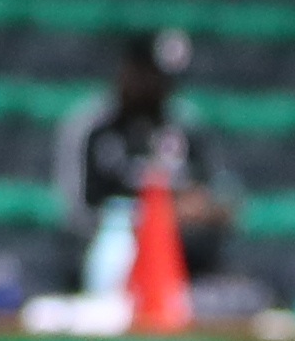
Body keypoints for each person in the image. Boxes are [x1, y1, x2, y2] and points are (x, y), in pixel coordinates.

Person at [54, 27, 235, 300]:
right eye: (151, 75)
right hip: (111, 252)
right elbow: (78, 210)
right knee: (115, 245)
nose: (159, 87)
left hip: (182, 256)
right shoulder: (94, 126)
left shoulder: (187, 124)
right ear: (130, 70)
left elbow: (224, 199)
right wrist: (159, 213)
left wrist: (202, 209)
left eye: (165, 79)